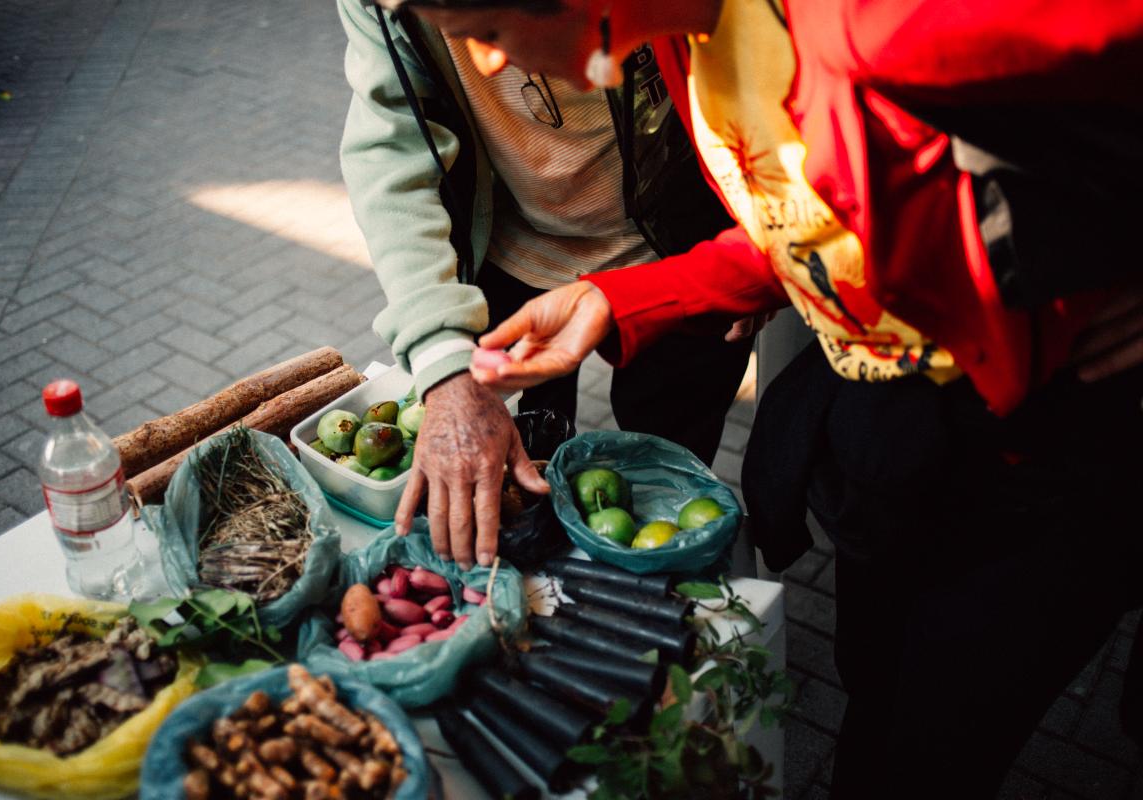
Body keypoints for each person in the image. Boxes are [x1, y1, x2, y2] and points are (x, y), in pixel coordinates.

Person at [374, 0, 1143, 797]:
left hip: (1048, 464)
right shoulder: (687, 43)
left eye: (486, 31)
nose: (489, 68)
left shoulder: (887, 20)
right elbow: (826, 222)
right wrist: (626, 300)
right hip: (904, 441)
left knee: (936, 750)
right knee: (873, 688)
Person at [335, 0, 759, 571]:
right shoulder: (379, 6)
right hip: (511, 254)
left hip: (678, 250)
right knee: (527, 437)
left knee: (669, 454)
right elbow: (392, 150)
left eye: (489, 26)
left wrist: (750, 248)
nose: (486, 64)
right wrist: (443, 354)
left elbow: (756, 100)